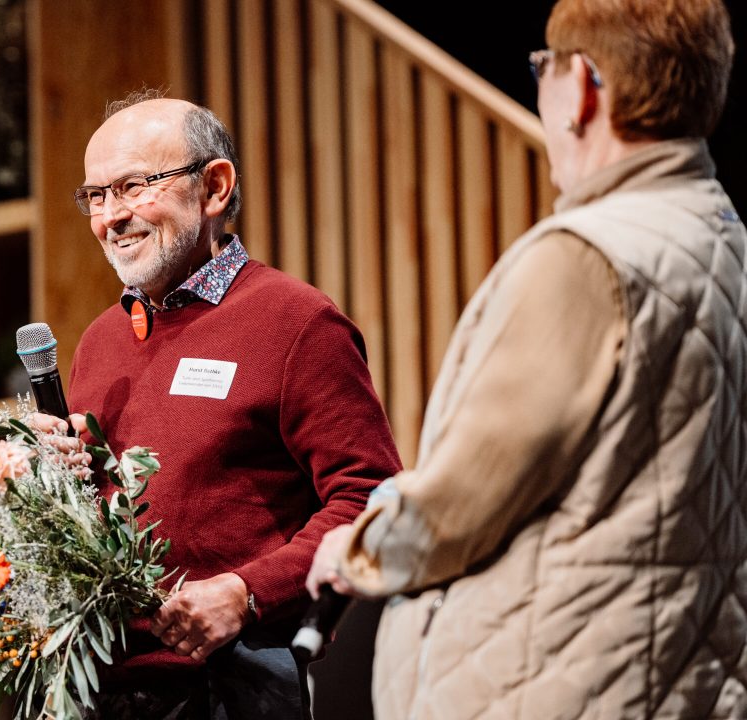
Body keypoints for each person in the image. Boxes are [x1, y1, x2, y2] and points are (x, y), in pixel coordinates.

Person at [307, 1, 745, 718]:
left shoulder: (585, 257)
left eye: (546, 67)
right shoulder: (721, 232)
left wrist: (358, 551)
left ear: (585, 89)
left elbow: (464, 501)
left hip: (561, 684)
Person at [65, 91, 402, 718]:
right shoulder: (99, 342)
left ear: (215, 188)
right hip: (101, 690)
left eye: (133, 186)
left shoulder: (296, 322)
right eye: (96, 195)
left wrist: (246, 593)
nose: (111, 216)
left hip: (234, 688)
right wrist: (51, 485)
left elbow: (373, 499)